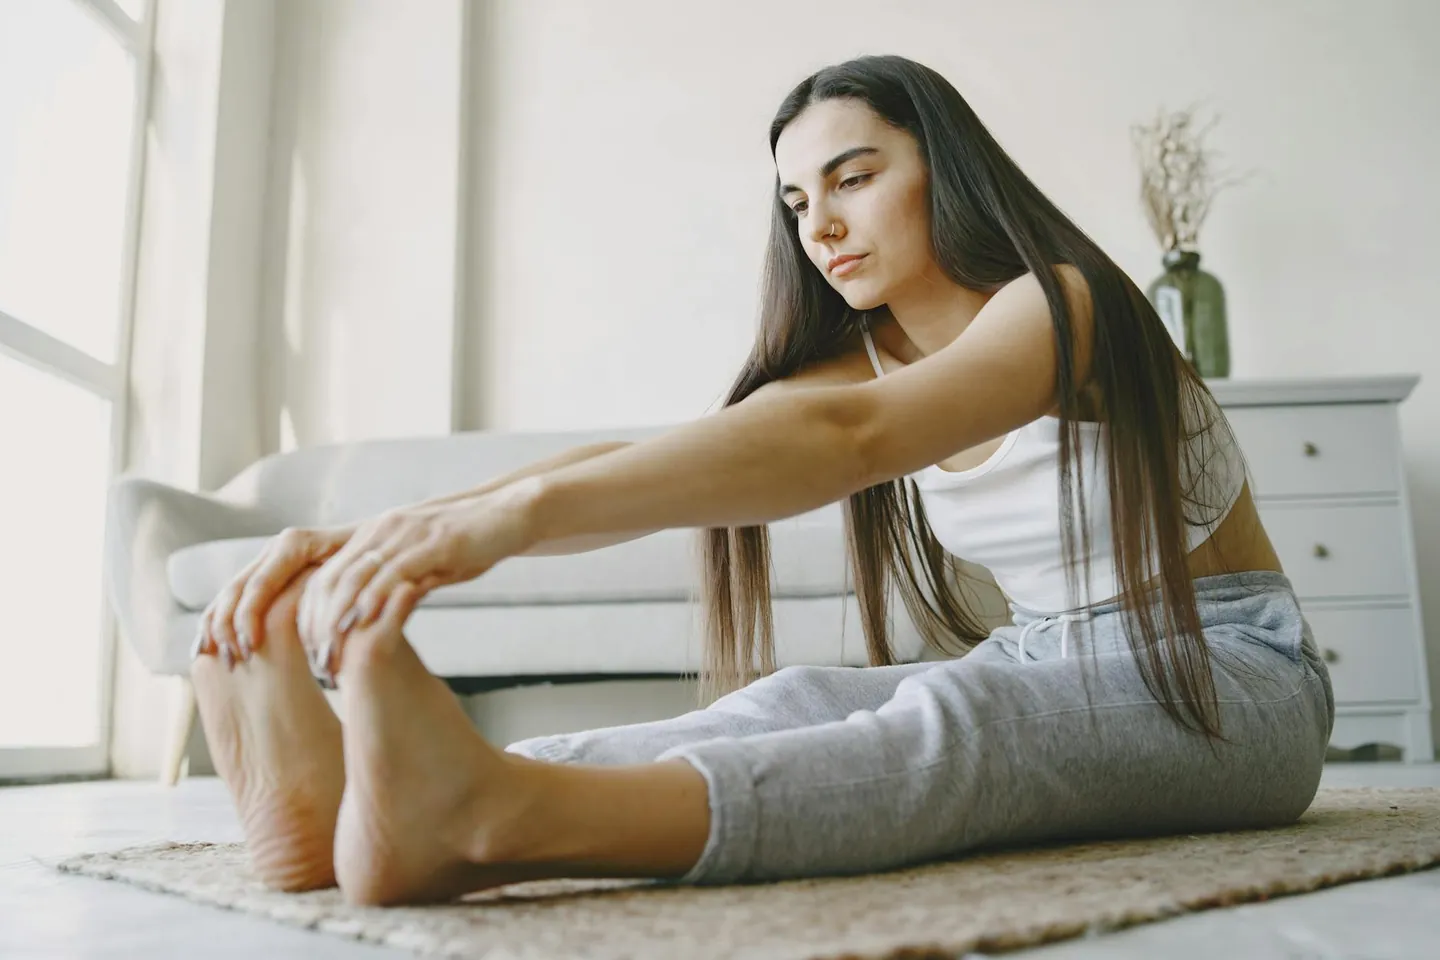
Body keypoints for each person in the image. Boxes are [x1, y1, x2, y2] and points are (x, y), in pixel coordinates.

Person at [188, 54, 1334, 906]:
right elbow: (654, 461)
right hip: (1043, 649)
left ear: (951, 168)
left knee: (960, 722)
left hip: (1230, 675)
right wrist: (381, 531)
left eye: (854, 176)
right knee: (787, 704)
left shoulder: (1066, 304)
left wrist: (507, 521)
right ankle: (360, 795)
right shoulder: (862, 353)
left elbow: (853, 436)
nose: (821, 225)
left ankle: (497, 816)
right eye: (797, 202)